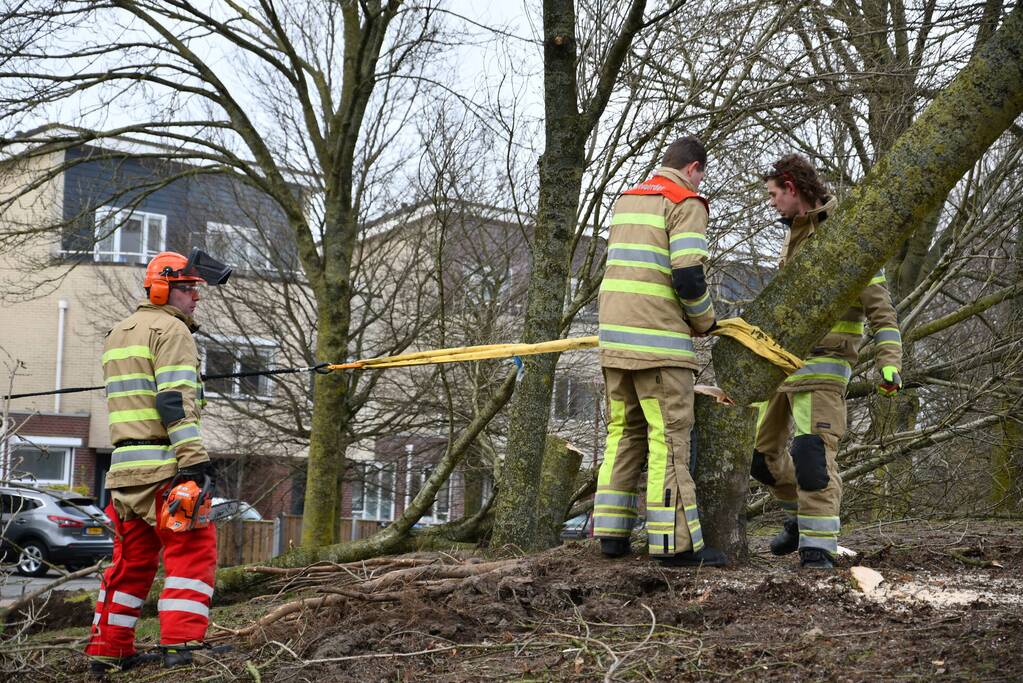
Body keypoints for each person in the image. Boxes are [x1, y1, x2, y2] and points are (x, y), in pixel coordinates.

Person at [753, 155, 903, 569]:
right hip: (783, 369)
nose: (770, 203)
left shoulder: (847, 237)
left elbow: (883, 313)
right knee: (761, 460)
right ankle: (800, 518)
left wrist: (889, 363)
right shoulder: (794, 235)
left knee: (812, 456)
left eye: (772, 194)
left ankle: (818, 549)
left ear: (792, 187)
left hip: (824, 367)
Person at [86, 249, 231, 674]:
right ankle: (182, 646)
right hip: (165, 469)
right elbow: (172, 403)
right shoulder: (172, 332)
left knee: (129, 563)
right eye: (188, 289)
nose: (196, 298)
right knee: (192, 552)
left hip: (125, 471)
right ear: (164, 288)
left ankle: (107, 651)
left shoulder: (118, 332)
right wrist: (194, 463)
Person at [594, 136, 726, 567]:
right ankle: (674, 546)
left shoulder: (627, 200)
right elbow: (688, 275)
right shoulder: (686, 201)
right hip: (659, 346)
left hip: (615, 341)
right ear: (693, 169)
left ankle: (611, 534)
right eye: (702, 174)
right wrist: (706, 322)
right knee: (668, 439)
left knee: (623, 433)